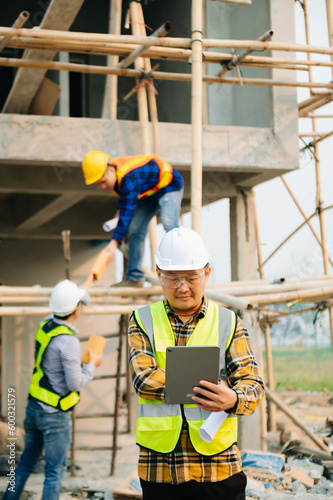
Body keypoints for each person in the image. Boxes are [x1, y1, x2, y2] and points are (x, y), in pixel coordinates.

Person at [128, 227, 264, 500]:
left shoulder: (228, 321)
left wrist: (232, 398)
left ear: (207, 273)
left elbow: (253, 386)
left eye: (191, 277)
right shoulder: (142, 319)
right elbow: (143, 381)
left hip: (218, 467)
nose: (182, 287)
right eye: (172, 277)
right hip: (161, 468)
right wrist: (214, 385)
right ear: (158, 273)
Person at [3, 280, 103, 500]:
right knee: (54, 473)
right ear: (76, 308)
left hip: (34, 408)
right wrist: (92, 364)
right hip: (54, 416)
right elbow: (75, 384)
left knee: (26, 463)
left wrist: (85, 287)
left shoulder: (45, 325)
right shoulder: (68, 341)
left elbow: (65, 303)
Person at [81, 151, 184, 287]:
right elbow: (126, 202)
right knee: (135, 229)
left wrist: (113, 243)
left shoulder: (129, 177)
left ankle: (183, 268)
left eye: (103, 182)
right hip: (149, 194)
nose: (103, 187)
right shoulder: (117, 179)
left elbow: (127, 211)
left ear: (111, 170)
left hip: (169, 186)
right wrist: (120, 210)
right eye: (98, 185)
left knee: (169, 223)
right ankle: (135, 278)